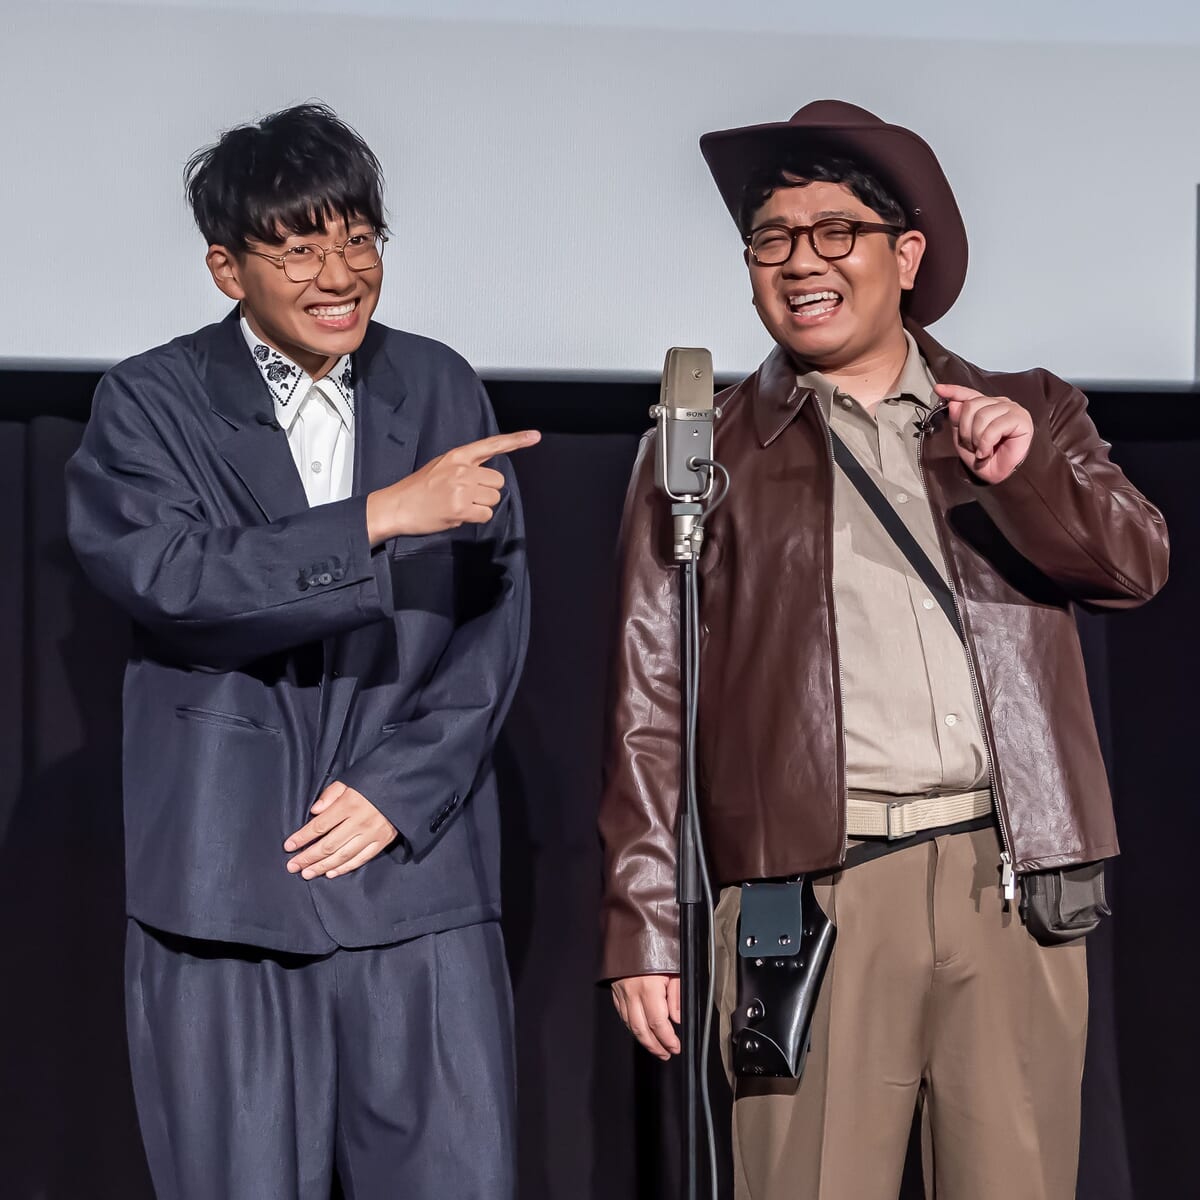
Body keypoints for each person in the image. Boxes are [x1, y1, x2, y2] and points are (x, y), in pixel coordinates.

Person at [598, 99, 1169, 1200]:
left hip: (1008, 887)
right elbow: (646, 703)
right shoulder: (705, 452)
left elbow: (1135, 567)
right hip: (813, 893)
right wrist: (642, 924)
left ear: (905, 256)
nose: (800, 262)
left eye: (835, 232)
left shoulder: (1021, 411)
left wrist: (1028, 475)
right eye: (772, 240)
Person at [66, 102, 538, 1200]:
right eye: (299, 250)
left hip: (415, 873)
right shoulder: (149, 401)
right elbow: (173, 579)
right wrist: (380, 516)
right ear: (227, 269)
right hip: (225, 881)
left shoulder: (438, 384)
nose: (340, 276)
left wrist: (399, 791)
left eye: (359, 240)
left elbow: (497, 616)